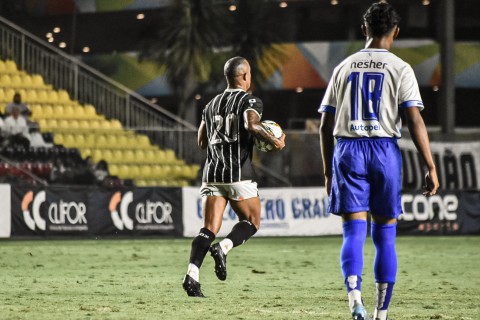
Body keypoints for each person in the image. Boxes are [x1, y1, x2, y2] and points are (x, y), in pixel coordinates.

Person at [319, 2, 439, 320]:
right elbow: (414, 120)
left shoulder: (342, 68)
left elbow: (324, 125)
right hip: (385, 152)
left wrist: (328, 170)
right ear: (395, 32)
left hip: (348, 150)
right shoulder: (401, 68)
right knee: (385, 235)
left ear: (364, 29)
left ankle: (354, 298)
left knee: (353, 232)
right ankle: (380, 315)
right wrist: (431, 165)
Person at [182, 56, 286, 297]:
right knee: (252, 222)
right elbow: (252, 125)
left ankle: (191, 276)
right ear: (246, 77)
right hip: (238, 173)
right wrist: (275, 141)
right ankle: (224, 248)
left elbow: (201, 142)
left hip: (212, 173)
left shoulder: (210, 105)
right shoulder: (250, 100)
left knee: (208, 228)